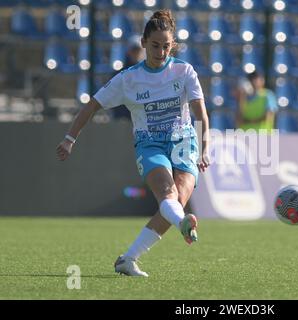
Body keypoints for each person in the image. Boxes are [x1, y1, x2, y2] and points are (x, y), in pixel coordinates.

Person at [56, 10, 210, 277]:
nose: (160, 51)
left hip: (184, 142)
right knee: (168, 196)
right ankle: (182, 222)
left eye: (166, 46)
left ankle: (128, 259)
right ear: (143, 43)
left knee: (176, 202)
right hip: (149, 144)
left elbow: (201, 113)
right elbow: (92, 106)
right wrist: (70, 138)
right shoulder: (128, 79)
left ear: (172, 46)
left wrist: (205, 147)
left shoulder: (184, 71)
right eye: (155, 45)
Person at [111, 35, 145, 120]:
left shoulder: (145, 72)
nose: (136, 53)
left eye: (138, 50)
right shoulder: (119, 74)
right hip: (123, 119)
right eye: (134, 50)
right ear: (129, 51)